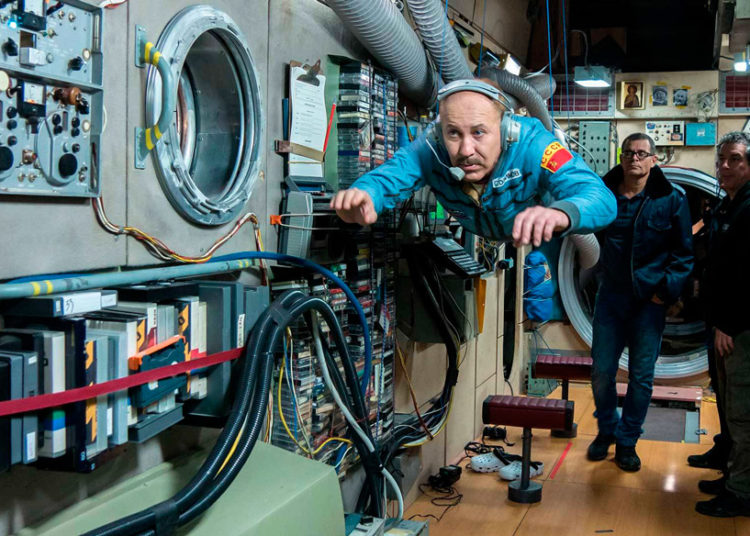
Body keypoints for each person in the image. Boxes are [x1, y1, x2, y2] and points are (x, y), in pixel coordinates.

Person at [330, 78, 616, 246]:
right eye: (453, 133)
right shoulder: (431, 147)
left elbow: (601, 199)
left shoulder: (536, 146)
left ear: (506, 130)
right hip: (482, 229)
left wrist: (561, 214)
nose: (465, 150)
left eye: (479, 132)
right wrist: (364, 196)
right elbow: (387, 178)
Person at [587, 133, 693, 472]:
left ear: (653, 160)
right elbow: (585, 237)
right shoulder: (602, 196)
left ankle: (628, 441)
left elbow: (683, 254)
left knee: (641, 376)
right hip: (611, 298)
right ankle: (607, 430)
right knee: (602, 372)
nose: (635, 158)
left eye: (642, 153)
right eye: (629, 153)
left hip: (649, 301)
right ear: (621, 157)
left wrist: (666, 292)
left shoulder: (671, 199)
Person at [695, 132, 750, 517]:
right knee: (731, 408)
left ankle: (742, 494)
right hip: (724, 324)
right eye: (722, 159)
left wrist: (728, 324)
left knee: (743, 414)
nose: (725, 166)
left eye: (736, 159)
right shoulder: (729, 208)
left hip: (741, 329)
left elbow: (747, 277)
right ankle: (732, 475)